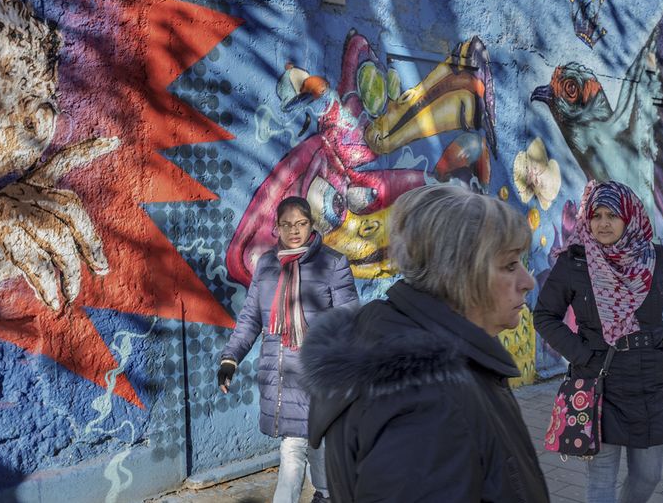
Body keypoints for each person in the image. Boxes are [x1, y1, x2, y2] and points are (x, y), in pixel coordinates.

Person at [301, 184, 550, 502]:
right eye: (510, 265)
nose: (527, 282)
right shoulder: (429, 402)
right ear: (461, 274)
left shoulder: (422, 364)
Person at [534, 180, 663, 503]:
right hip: (598, 381)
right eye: (596, 215)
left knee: (648, 475)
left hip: (652, 382)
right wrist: (581, 355)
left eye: (612, 215)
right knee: (601, 482)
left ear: (629, 217)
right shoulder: (574, 262)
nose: (603, 223)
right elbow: (544, 315)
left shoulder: (656, 259)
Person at [218, 196, 358, 503]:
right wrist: (230, 358)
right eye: (287, 224)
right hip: (281, 375)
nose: (294, 230)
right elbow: (250, 319)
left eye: (301, 223)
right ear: (277, 227)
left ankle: (326, 494)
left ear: (311, 224)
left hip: (319, 374)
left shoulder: (332, 264)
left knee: (314, 445)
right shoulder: (267, 266)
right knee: (295, 447)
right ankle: (325, 495)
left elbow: (350, 320)